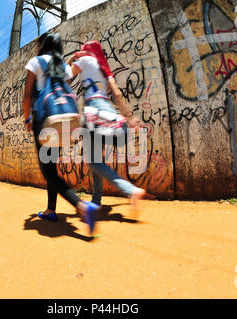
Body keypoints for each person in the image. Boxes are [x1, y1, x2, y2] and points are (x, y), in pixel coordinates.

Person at [22, 32, 99, 235]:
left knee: (48, 172)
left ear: (43, 46)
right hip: (64, 122)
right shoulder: (60, 65)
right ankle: (51, 210)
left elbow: (28, 93)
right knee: (52, 168)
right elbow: (70, 72)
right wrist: (75, 59)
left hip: (45, 119)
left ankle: (81, 205)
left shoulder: (36, 61)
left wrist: (27, 118)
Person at [68, 40, 146, 210]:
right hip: (107, 111)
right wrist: (130, 117)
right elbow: (117, 93)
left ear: (86, 50)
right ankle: (96, 201)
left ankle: (131, 190)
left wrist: (71, 60)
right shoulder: (105, 69)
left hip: (93, 110)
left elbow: (65, 78)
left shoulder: (85, 59)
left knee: (94, 162)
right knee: (95, 159)